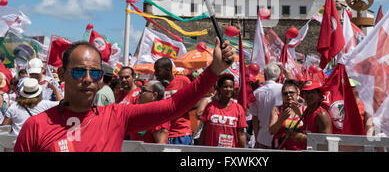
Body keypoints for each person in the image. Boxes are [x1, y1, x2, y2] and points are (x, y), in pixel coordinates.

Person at [14, 38, 234, 152]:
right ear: (62, 74)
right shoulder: (35, 126)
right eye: (79, 71)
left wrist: (214, 70)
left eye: (96, 73)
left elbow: (173, 106)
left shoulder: (117, 116)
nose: (88, 79)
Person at [198, 73, 247, 148]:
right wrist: (199, 149)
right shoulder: (210, 107)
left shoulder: (238, 108)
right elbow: (204, 131)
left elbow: (241, 134)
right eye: (225, 87)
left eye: (231, 87)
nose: (228, 89)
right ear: (219, 88)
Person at [154, 57, 193, 145]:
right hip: (163, 134)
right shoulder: (157, 86)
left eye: (158, 70)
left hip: (181, 132)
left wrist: (178, 108)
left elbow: (195, 102)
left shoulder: (183, 81)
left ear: (168, 70)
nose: (155, 74)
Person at [248, 61, 283, 149]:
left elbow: (255, 119)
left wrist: (256, 139)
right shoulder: (284, 89)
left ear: (265, 75)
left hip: (263, 137)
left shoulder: (256, 93)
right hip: (279, 136)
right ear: (278, 76)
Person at [269, 79, 304, 150]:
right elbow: (271, 131)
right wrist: (281, 119)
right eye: (285, 93)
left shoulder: (304, 109)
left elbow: (309, 128)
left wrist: (299, 114)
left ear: (297, 93)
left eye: (291, 93)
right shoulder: (276, 110)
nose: (288, 95)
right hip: (282, 148)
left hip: (299, 148)